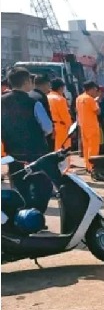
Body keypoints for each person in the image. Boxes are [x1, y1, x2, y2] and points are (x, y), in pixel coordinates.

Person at [1, 67, 55, 213]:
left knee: (18, 187)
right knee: (43, 186)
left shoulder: (2, 102)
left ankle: (21, 218)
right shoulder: (33, 101)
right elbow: (48, 128)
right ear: (26, 82)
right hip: (36, 152)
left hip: (13, 154)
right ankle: (36, 216)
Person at [76, 81, 102, 173]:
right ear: (90, 89)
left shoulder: (79, 98)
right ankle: (93, 167)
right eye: (95, 90)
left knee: (86, 147)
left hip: (83, 126)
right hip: (92, 127)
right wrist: (97, 102)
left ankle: (88, 166)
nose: (96, 92)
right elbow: (98, 111)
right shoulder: (90, 99)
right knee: (93, 148)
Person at [47, 78, 73, 150]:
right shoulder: (60, 99)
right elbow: (65, 116)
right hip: (61, 128)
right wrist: (71, 128)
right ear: (60, 88)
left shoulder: (46, 97)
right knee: (63, 150)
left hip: (50, 127)